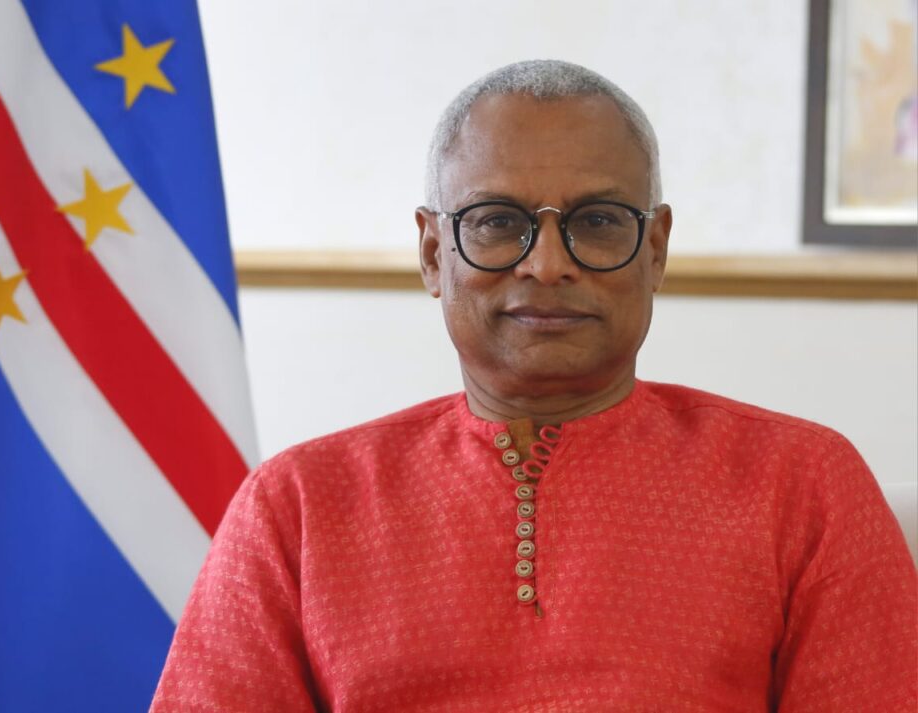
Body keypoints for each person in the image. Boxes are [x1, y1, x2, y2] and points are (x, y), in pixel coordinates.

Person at [150, 60, 917, 711]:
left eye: (599, 221)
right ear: (432, 252)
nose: (548, 264)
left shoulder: (804, 485)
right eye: (497, 221)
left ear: (655, 250)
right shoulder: (298, 504)